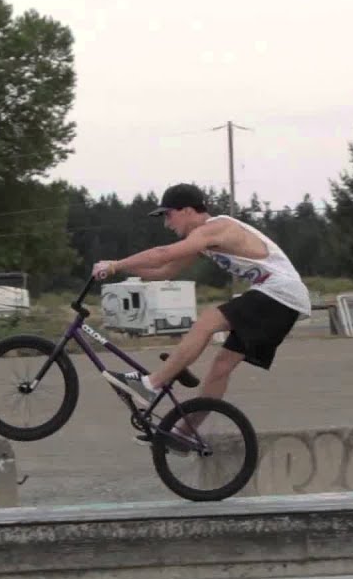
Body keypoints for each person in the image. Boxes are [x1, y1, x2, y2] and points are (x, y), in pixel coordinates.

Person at [92, 183, 311, 445]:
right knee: (221, 366)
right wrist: (116, 272)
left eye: (168, 215)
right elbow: (165, 271)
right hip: (282, 300)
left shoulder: (216, 228)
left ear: (186, 210)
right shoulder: (202, 242)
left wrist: (116, 264)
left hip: (279, 292)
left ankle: (152, 384)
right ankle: (185, 433)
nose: (167, 224)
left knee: (207, 320)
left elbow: (163, 254)